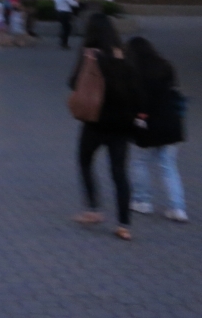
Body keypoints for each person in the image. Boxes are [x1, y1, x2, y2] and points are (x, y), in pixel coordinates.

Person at [69, 13, 144, 241]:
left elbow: (73, 83)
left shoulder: (90, 55)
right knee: (119, 173)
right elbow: (137, 90)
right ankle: (124, 225)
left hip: (95, 122)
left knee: (84, 161)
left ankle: (93, 209)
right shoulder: (125, 55)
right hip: (122, 124)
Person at [126, 37, 188, 222]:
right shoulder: (166, 66)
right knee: (169, 166)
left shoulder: (133, 71)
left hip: (147, 124)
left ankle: (142, 201)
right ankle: (178, 207)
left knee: (140, 163)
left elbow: (135, 99)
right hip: (171, 122)